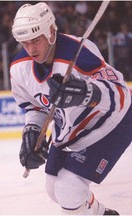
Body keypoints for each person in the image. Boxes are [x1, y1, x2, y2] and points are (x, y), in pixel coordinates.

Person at [10, 2, 132, 215]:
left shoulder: (80, 53)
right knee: (53, 188)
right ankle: (100, 212)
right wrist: (32, 130)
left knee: (69, 188)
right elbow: (35, 106)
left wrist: (87, 93)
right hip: (71, 129)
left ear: (50, 32)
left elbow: (120, 93)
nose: (30, 49)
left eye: (35, 41)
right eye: (24, 43)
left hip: (112, 121)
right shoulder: (19, 68)